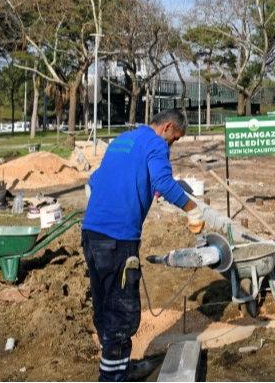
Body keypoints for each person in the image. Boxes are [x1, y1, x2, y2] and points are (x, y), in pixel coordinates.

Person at [82, 109, 204, 382]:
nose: (171, 145)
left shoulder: (122, 140)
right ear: (167, 127)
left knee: (103, 305)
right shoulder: (155, 144)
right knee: (122, 310)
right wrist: (193, 209)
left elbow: (95, 182)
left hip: (92, 234)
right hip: (118, 240)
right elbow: (162, 181)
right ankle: (112, 378)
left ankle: (118, 368)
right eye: (174, 139)